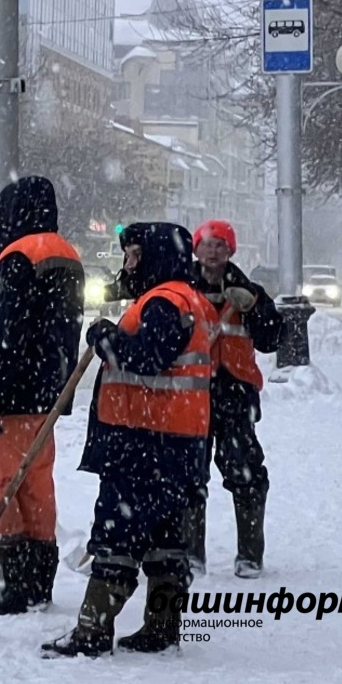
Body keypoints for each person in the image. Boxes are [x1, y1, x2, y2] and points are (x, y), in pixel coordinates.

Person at [42, 223, 216, 658]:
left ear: (155, 256)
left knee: (118, 534)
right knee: (163, 538)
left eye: (135, 255)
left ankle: (92, 630)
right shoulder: (186, 298)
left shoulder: (163, 303)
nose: (128, 265)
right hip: (175, 441)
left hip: (144, 441)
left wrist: (106, 339)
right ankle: (162, 626)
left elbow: (147, 358)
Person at [0, 176, 84, 615]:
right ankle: (39, 582)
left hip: (12, 397)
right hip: (47, 396)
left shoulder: (16, 258)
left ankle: (15, 584)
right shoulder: (65, 254)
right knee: (38, 485)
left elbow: (5, 335)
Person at [187, 220, 282, 580]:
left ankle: (250, 554)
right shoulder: (181, 291)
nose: (213, 251)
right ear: (196, 250)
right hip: (190, 394)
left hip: (236, 394)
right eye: (207, 244)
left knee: (245, 473)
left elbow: (272, 339)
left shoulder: (249, 290)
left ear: (231, 251)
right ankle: (191, 553)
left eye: (220, 245)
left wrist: (255, 307)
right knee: (188, 476)